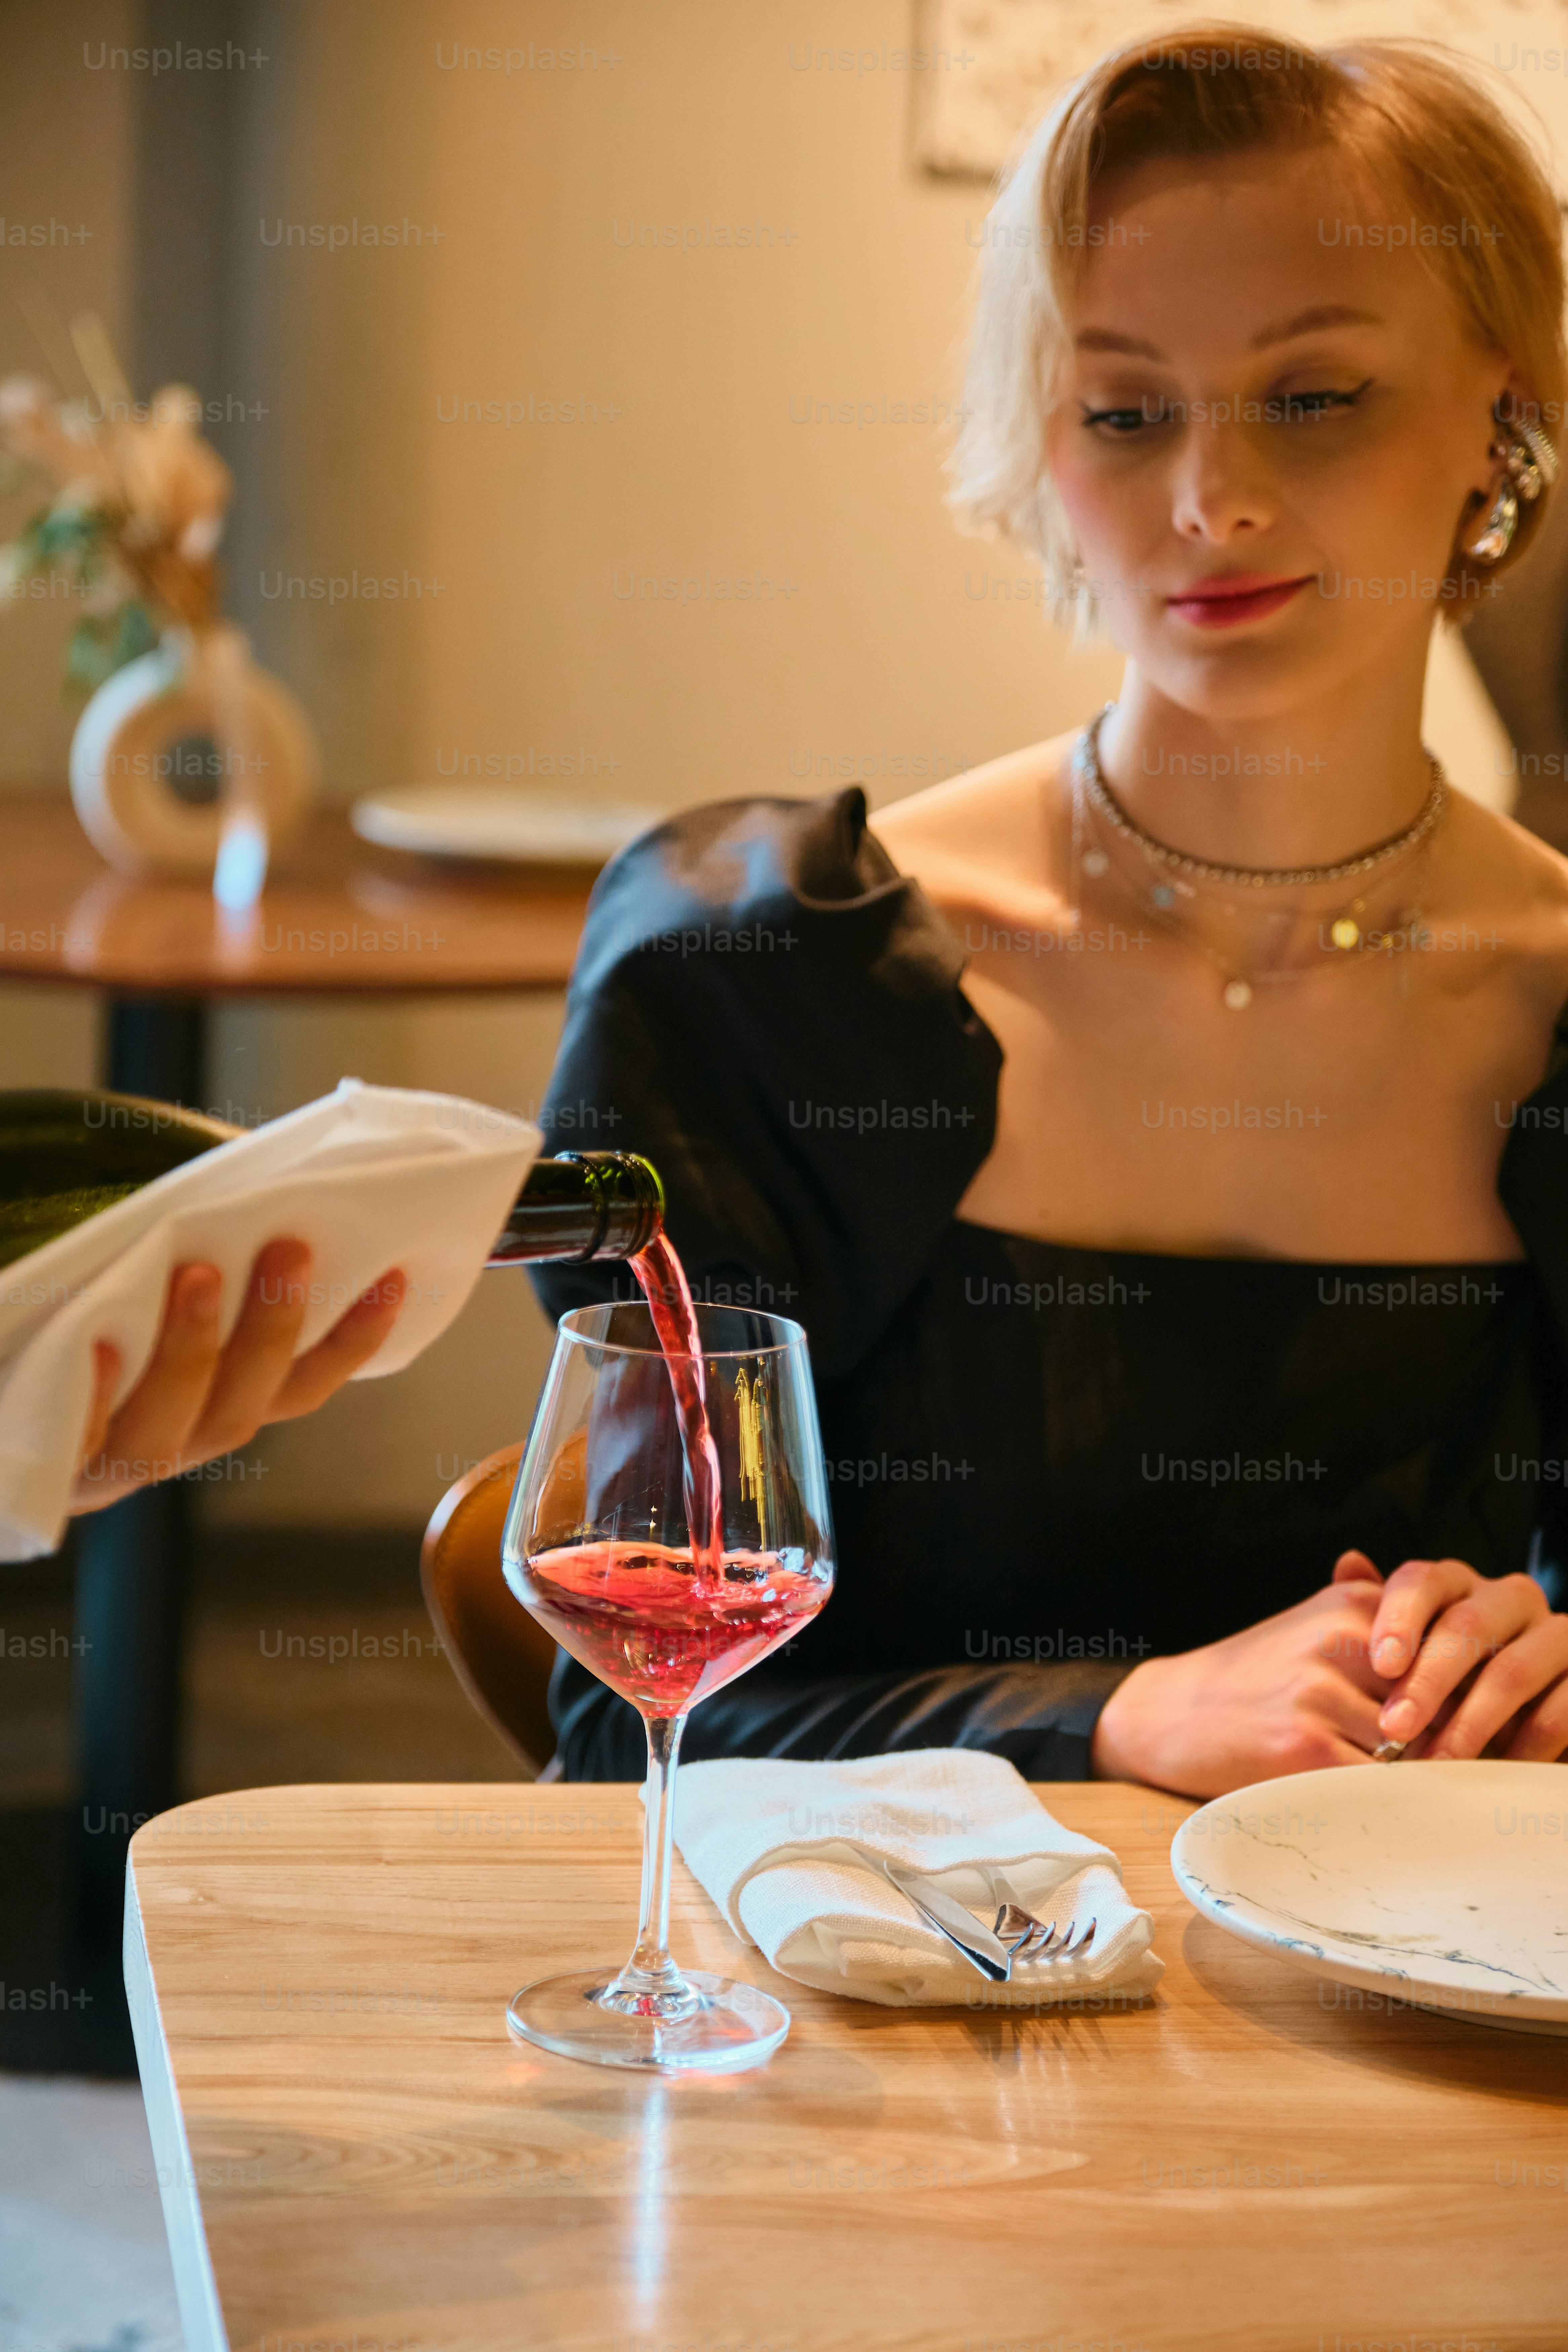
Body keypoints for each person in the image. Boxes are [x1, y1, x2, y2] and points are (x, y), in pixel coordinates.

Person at [525, 25, 1568, 1789]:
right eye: (1127, 412)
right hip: (847, 1966)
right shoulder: (764, 985)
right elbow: (635, 1732)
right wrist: (1113, 1717)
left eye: (1316, 395)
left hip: (1413, 1971)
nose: (1212, 500)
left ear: (1505, 415)